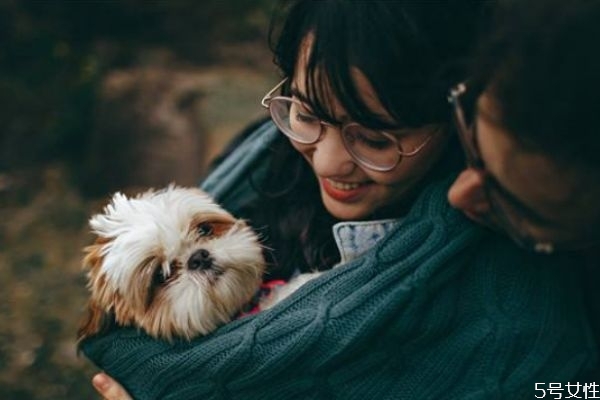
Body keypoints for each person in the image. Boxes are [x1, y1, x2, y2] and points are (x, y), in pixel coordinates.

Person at [84, 1, 596, 399]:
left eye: (374, 138)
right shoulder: (259, 157)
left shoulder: (531, 285)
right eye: (307, 113)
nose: (327, 163)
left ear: (453, 116)